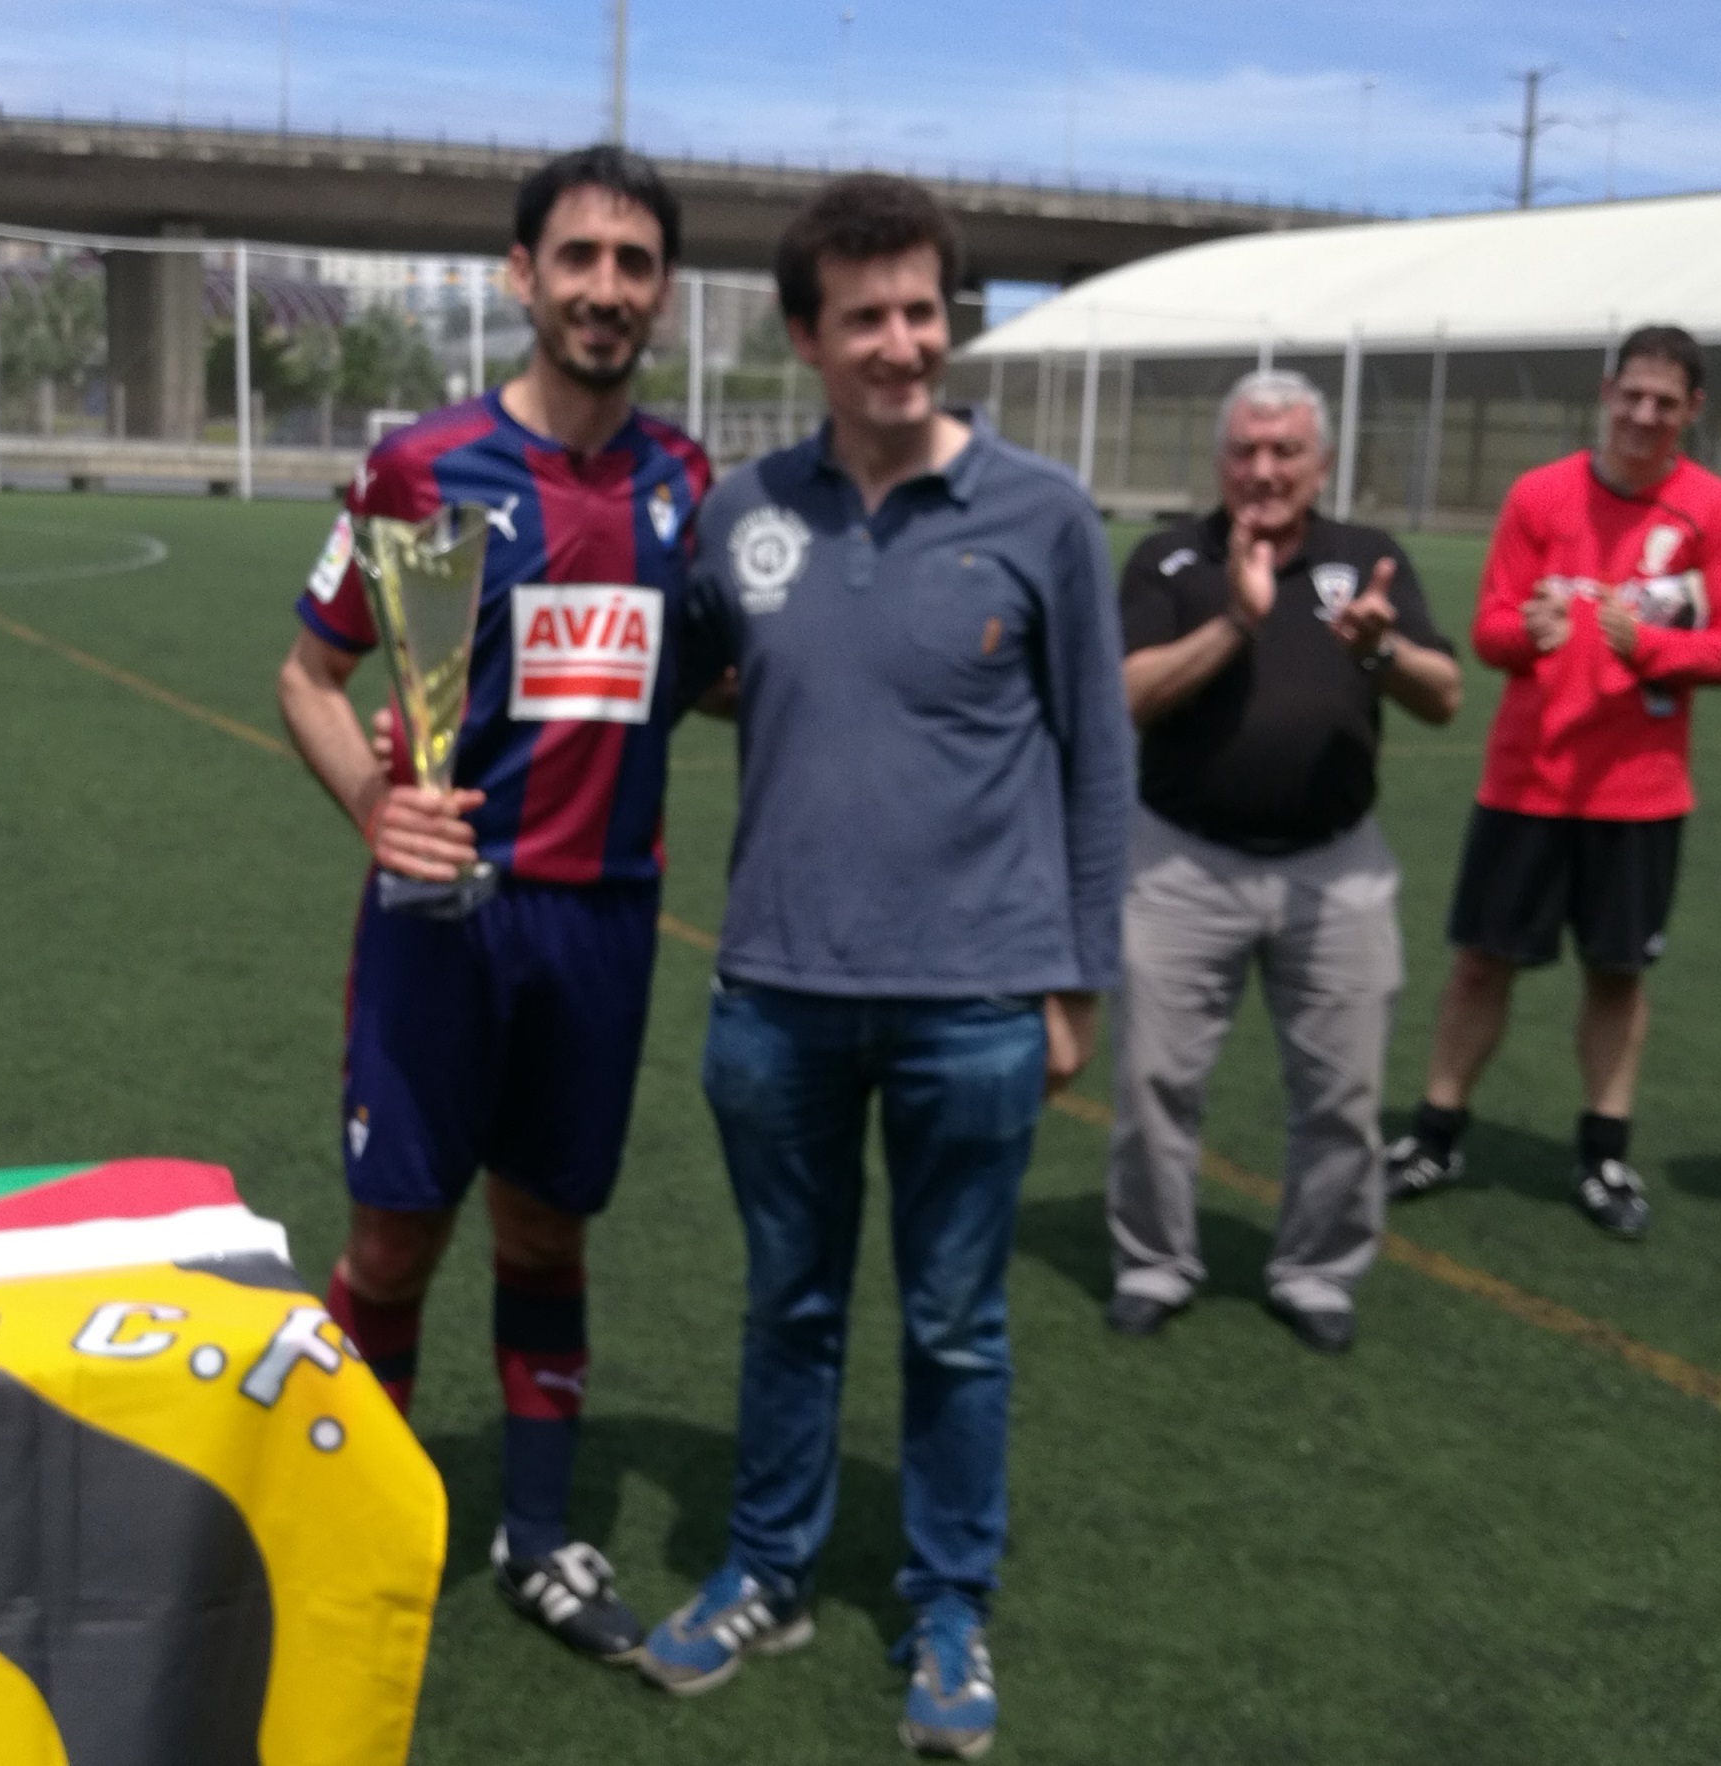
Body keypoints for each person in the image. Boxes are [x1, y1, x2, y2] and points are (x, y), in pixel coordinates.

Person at [635, 175, 1131, 1762]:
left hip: (975, 1004)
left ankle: (947, 1606)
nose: (903, 342)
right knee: (786, 1303)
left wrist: (1078, 982)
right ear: (806, 336)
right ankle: (768, 1570)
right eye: (867, 318)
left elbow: (1100, 759)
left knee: (956, 1322)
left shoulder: (1043, 514)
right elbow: (662, 682)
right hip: (776, 995)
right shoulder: (741, 514)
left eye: (924, 310)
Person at [274, 143, 709, 1664]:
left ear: (662, 292)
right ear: (523, 276)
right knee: (394, 1247)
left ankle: (535, 1539)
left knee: (544, 1232)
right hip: (442, 921)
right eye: (578, 257)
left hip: (603, 924)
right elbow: (309, 675)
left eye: (634, 264)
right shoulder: (423, 468)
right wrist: (373, 803)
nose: (605, 288)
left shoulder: (684, 484)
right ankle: (357, 1536)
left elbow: (705, 671)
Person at [1103, 371, 1462, 1354]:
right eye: (1245, 451)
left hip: (1336, 867)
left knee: (1342, 1093)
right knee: (1152, 1082)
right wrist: (1236, 619)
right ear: (1220, 460)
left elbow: (1444, 695)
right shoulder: (1170, 559)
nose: (1263, 470)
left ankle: (1316, 1271)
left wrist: (1381, 650)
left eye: (1286, 451)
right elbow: (1128, 694)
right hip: (1180, 864)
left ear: (1321, 462)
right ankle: (1153, 1261)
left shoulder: (1367, 560)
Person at [1385, 326, 1721, 1237]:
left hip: (1639, 794)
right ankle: (1436, 1136)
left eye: (1664, 402)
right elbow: (1489, 631)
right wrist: (1530, 633)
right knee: (1481, 963)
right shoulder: (1539, 495)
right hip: (1527, 783)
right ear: (1606, 392)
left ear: (1692, 411)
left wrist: (1655, 649)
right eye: (1631, 395)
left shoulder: (1716, 511)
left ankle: (1603, 1155)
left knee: (1617, 975)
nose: (1644, 415)